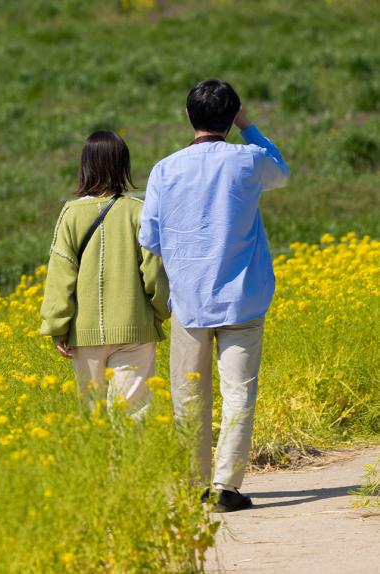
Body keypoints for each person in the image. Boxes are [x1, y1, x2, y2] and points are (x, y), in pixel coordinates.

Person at [139, 79, 289, 512]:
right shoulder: (249, 160)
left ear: (188, 116)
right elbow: (281, 169)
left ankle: (194, 484)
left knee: (189, 395)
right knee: (239, 392)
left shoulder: (165, 169)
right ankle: (226, 487)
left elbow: (149, 235)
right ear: (232, 115)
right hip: (243, 300)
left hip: (188, 301)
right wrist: (250, 126)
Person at [39, 131, 169, 418]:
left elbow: (61, 274)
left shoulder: (70, 214)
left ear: (85, 166)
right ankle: (127, 465)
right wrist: (160, 311)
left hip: (84, 334)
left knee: (93, 415)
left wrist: (57, 326)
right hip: (134, 327)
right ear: (123, 165)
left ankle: (97, 464)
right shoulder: (138, 211)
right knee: (133, 413)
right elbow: (153, 270)